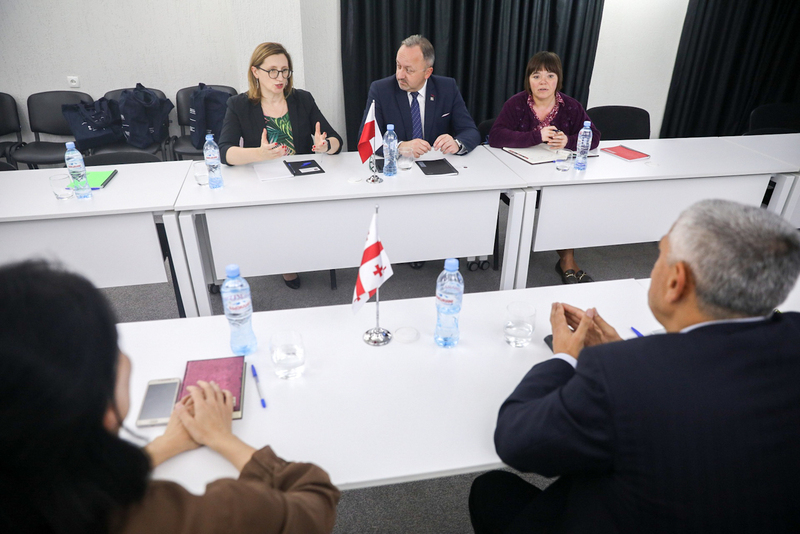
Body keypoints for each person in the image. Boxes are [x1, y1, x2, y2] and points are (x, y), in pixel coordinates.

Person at [469, 199, 800, 533]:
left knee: (491, 491)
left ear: (675, 282)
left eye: (660, 255)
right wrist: (626, 354)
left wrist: (564, 357)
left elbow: (516, 442)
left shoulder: (619, 376)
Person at [0, 260, 340, 533]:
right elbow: (314, 499)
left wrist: (164, 445)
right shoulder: (210, 515)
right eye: (111, 346)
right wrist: (222, 439)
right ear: (102, 407)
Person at [218, 42, 343, 289]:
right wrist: (258, 153)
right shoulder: (239, 104)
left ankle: (307, 251)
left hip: (304, 178)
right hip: (265, 180)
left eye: (285, 71)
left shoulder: (302, 100)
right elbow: (225, 152)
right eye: (272, 71)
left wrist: (325, 145)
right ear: (256, 72)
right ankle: (286, 260)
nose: (280, 77)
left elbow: (337, 140)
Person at [489, 51, 601, 285]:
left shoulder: (571, 106)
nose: (543, 82)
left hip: (557, 175)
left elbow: (594, 137)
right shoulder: (517, 103)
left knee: (568, 196)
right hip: (521, 176)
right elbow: (495, 136)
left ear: (558, 80)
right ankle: (521, 259)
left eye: (550, 76)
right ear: (528, 80)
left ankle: (567, 260)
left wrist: (568, 142)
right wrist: (535, 136)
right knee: (548, 197)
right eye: (536, 76)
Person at [359, 34, 481, 158]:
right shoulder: (381, 90)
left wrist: (456, 143)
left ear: (427, 72)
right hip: (398, 167)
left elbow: (470, 131)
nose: (400, 75)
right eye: (398, 66)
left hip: (436, 165)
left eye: (408, 70)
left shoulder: (447, 88)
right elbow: (367, 139)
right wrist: (399, 146)